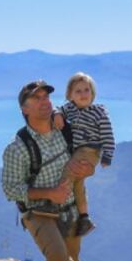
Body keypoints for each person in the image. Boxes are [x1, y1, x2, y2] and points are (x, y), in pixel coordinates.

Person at [1, 80, 95, 261]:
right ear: (24, 108)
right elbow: (10, 189)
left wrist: (87, 169)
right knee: (59, 258)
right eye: (37, 98)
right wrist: (48, 193)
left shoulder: (65, 130)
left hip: (70, 210)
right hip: (39, 213)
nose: (45, 101)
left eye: (46, 96)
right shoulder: (17, 147)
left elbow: (87, 160)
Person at [48, 72, 116, 236]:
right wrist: (57, 114)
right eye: (78, 91)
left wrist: (107, 156)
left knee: (69, 172)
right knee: (78, 183)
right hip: (76, 151)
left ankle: (54, 205)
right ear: (69, 95)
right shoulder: (69, 108)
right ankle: (84, 218)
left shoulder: (99, 112)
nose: (83, 94)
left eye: (87, 90)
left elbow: (108, 135)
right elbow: (57, 108)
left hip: (90, 151)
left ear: (93, 93)